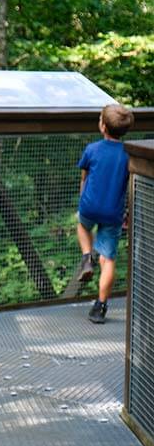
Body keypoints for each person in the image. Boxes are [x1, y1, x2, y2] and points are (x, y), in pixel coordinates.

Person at [76, 103, 134, 324]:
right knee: (108, 259)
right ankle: (100, 307)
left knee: (82, 224)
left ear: (102, 126)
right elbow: (128, 186)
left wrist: (83, 200)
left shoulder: (92, 149)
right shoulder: (128, 154)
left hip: (90, 206)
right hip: (113, 213)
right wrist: (126, 211)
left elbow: (84, 178)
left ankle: (85, 257)